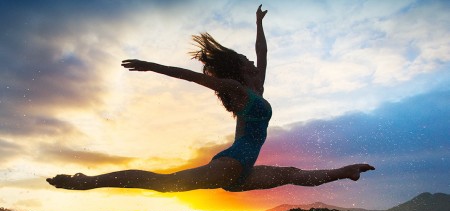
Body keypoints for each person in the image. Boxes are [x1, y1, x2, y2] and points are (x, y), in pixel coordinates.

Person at [47, 5, 374, 192]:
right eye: (245, 60)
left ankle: (347, 171)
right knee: (167, 184)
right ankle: (88, 182)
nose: (252, 61)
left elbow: (263, 52)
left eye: (250, 60)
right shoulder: (236, 88)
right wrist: (151, 66)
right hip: (231, 164)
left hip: (244, 171)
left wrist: (258, 24)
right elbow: (190, 76)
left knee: (292, 174)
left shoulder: (256, 87)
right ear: (238, 69)